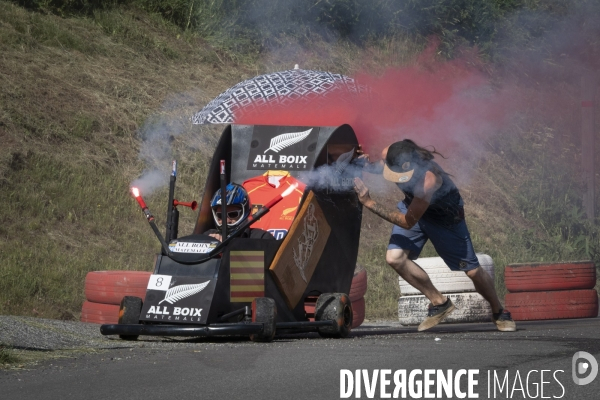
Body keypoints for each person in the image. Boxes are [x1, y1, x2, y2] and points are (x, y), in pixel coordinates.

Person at [353, 139, 516, 332]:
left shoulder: (427, 180)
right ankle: (439, 303)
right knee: (395, 258)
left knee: (472, 270)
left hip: (445, 218)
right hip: (413, 207)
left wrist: (369, 203)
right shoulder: (389, 152)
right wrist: (364, 165)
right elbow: (381, 167)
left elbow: (407, 221)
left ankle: (499, 311)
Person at [205, 183, 275, 241]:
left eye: (233, 214)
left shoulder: (261, 238)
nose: (226, 220)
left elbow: (260, 258)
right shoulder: (208, 236)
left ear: (244, 213)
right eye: (220, 215)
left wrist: (227, 247)